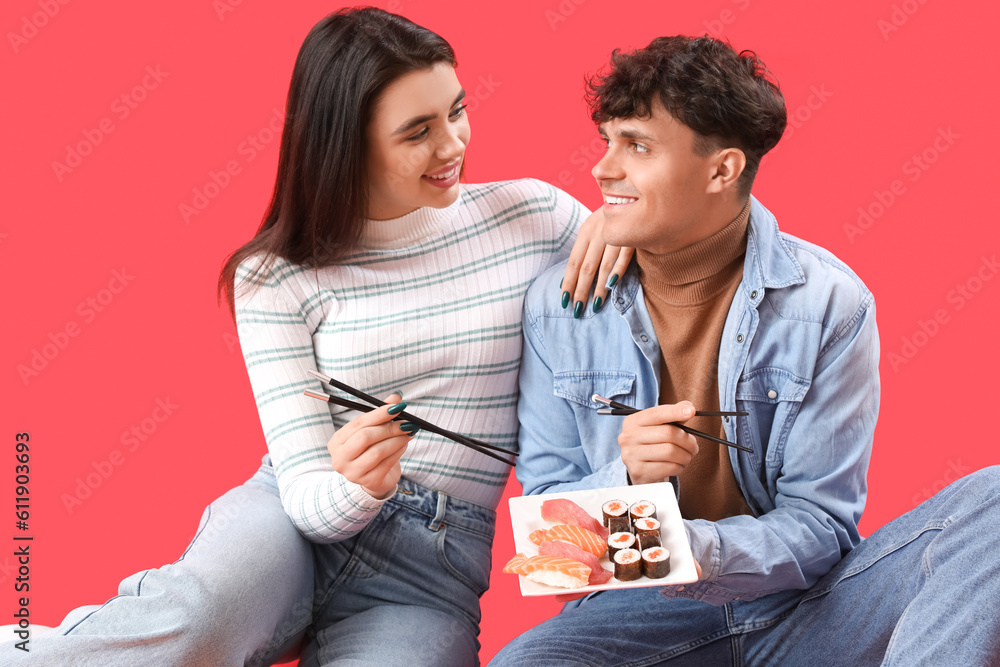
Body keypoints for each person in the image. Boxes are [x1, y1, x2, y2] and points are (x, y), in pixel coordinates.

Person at [6, 8, 629, 667]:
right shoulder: (274, 277)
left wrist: (623, 222)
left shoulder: (535, 215)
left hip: (429, 570)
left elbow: (650, 307)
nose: (452, 146)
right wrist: (359, 484)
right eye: (418, 131)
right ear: (347, 142)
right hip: (289, 526)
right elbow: (305, 494)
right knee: (193, 626)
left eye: (457, 111)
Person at [490, 35, 1000, 665]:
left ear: (722, 169)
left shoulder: (829, 304)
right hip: (634, 623)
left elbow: (820, 528)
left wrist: (690, 548)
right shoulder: (560, 305)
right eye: (608, 141)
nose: (602, 168)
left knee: (995, 500)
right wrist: (628, 479)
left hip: (808, 609)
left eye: (638, 147)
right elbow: (553, 553)